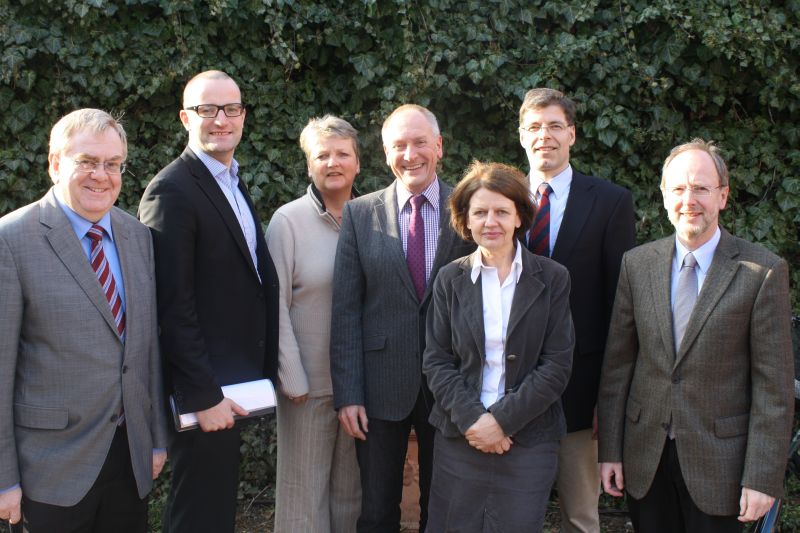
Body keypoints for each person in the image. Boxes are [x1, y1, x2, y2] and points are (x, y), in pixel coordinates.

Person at [598, 139, 794, 532]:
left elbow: (774, 389)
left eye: (701, 188)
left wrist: (761, 476)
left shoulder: (761, 271)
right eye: (679, 188)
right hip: (645, 459)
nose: (689, 200)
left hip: (721, 466)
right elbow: (618, 366)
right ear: (664, 196)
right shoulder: (637, 265)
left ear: (723, 196)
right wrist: (611, 452)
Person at [0, 108, 167, 532]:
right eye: (87, 162)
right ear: (55, 164)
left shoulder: (138, 236)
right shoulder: (12, 240)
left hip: (128, 459)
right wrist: (4, 480)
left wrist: (156, 437)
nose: (102, 175)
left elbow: (146, 347)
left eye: (113, 164)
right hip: (50, 469)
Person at [138, 70, 279, 533]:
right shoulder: (172, 190)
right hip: (208, 393)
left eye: (231, 109)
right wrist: (202, 395)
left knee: (215, 508)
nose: (221, 119)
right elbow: (171, 304)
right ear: (185, 117)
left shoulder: (231, 181)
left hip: (235, 384)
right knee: (197, 512)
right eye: (207, 109)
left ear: (243, 115)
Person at [330, 104, 474, 532]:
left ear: (439, 147)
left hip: (451, 387)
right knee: (376, 513)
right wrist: (348, 393)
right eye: (398, 146)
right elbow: (345, 310)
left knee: (444, 510)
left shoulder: (468, 211)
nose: (409, 154)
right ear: (385, 153)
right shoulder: (360, 215)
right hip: (378, 389)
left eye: (419, 143)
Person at [423, 161, 575, 530]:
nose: (491, 221)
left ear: (519, 217)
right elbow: (437, 361)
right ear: (466, 220)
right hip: (461, 437)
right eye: (480, 212)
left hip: (528, 441)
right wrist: (476, 420)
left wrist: (502, 421)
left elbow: (556, 365)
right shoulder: (449, 279)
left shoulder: (552, 278)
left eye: (501, 211)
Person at [518, 87, 636, 533]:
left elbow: (619, 307)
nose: (543, 135)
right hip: (509, 387)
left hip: (580, 389)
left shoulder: (609, 201)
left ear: (572, 133)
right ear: (521, 136)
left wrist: (609, 398)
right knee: (513, 510)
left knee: (580, 516)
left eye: (553, 125)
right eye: (533, 127)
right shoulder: (499, 196)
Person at [265, 115, 361, 532]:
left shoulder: (374, 217)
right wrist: (292, 377)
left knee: (352, 496)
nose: (333, 162)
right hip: (307, 387)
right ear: (309, 165)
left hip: (359, 387)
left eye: (343, 153)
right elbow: (274, 305)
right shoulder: (287, 222)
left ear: (358, 162)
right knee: (304, 497)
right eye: (322, 155)